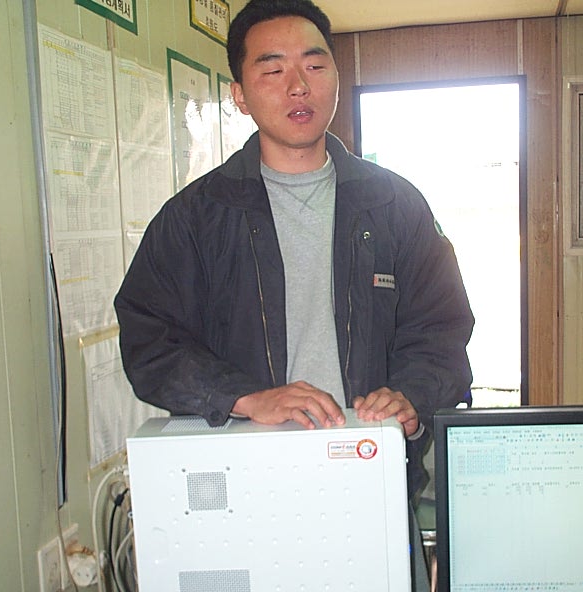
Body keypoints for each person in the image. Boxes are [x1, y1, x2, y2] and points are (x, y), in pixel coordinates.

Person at [114, 2, 473, 582]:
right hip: (247, 491)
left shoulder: (395, 205)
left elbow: (441, 330)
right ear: (239, 95)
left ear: (335, 78)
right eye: (273, 69)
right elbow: (149, 341)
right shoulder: (196, 217)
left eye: (315, 64)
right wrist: (244, 396)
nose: (298, 85)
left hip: (371, 481)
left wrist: (411, 395)